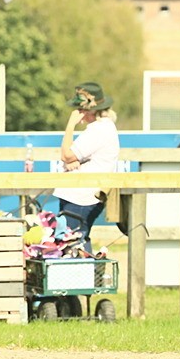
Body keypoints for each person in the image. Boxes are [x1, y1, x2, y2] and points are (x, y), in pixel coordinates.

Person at [55, 82, 120, 254]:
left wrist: (70, 125)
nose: (77, 113)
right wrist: (74, 161)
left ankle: (83, 279)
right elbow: (70, 159)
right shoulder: (101, 128)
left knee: (72, 242)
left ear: (90, 110)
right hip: (82, 196)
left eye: (80, 108)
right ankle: (86, 279)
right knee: (76, 240)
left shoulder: (99, 130)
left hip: (81, 197)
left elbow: (66, 155)